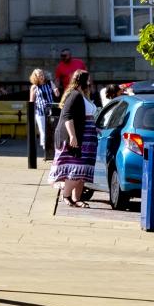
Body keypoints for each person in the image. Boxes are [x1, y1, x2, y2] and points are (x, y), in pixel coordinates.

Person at [50, 68, 96, 207]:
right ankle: (66, 196)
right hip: (79, 135)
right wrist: (72, 136)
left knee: (83, 171)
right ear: (83, 80)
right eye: (89, 79)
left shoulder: (83, 95)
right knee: (76, 168)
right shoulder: (75, 95)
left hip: (88, 136)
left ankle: (77, 199)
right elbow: (67, 117)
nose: (90, 81)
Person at [28, 68, 58, 161]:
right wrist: (31, 113)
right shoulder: (34, 87)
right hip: (40, 111)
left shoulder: (49, 83)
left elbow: (56, 94)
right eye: (39, 75)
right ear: (35, 76)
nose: (41, 76)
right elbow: (32, 101)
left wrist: (56, 90)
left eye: (42, 74)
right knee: (43, 132)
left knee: (53, 130)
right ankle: (47, 152)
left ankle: (54, 151)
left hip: (50, 111)